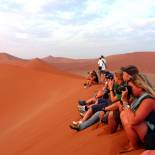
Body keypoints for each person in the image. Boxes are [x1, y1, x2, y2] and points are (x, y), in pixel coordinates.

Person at [119, 66, 155, 153]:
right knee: (126, 114)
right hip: (149, 130)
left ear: (140, 87)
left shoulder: (148, 100)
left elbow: (133, 121)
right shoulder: (139, 97)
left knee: (133, 120)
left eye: (131, 87)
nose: (129, 90)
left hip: (152, 136)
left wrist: (125, 102)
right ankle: (134, 143)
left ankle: (136, 145)